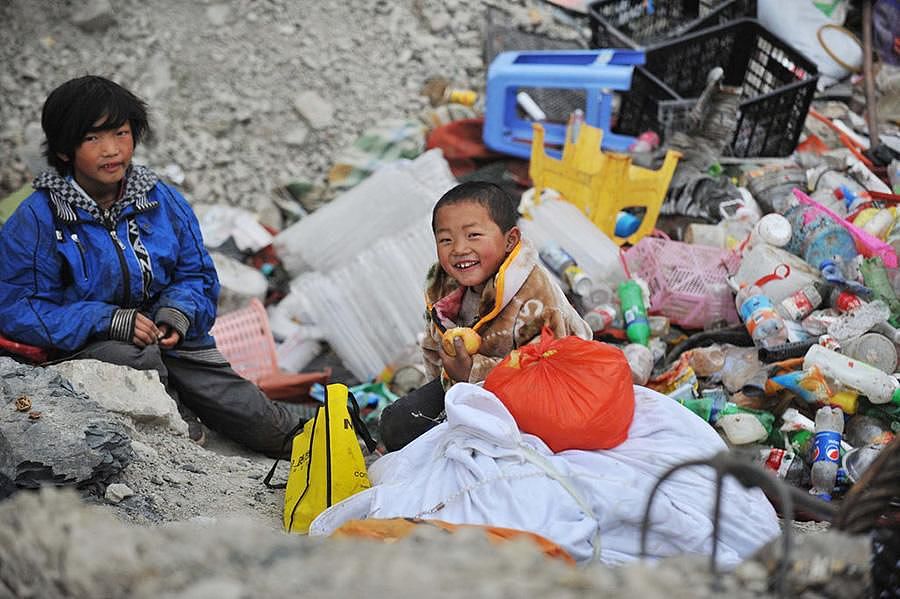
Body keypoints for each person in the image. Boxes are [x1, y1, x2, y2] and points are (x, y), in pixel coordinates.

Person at [0, 75, 295, 457]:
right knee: (135, 358)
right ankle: (180, 435)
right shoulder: (38, 218)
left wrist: (177, 313)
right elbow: (17, 309)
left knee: (248, 411)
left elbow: (197, 274)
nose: (111, 150)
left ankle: (300, 437)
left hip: (163, 337)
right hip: (85, 350)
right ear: (63, 151)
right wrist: (105, 320)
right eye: (92, 139)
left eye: (121, 133)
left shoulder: (161, 200)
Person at [378, 181, 592, 451]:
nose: (458, 249)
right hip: (471, 385)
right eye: (446, 240)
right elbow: (435, 349)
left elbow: (549, 371)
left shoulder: (534, 294)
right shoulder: (442, 287)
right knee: (396, 424)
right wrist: (447, 385)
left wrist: (473, 371)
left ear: (510, 240)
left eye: (473, 235)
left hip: (549, 391)